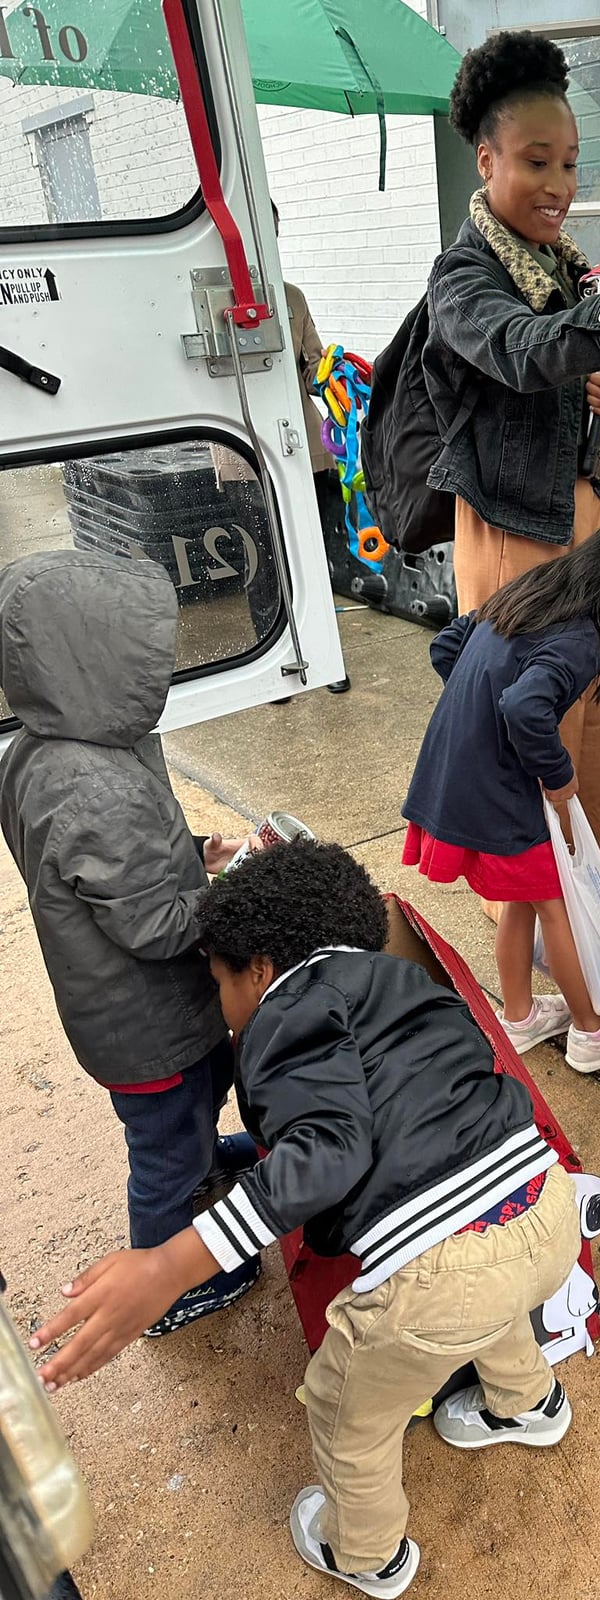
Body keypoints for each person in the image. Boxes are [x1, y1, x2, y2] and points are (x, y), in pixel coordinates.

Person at [29, 841, 582, 1600]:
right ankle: (531, 1404)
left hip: (440, 1278)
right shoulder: (396, 977)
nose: (221, 1009)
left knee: (343, 1406)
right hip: (545, 1212)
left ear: (259, 969)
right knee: (492, 1286)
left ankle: (366, 1554)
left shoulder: (287, 1011)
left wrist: (169, 1264)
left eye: (218, 983)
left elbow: (332, 1149)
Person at [424, 30, 600, 895]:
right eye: (538, 161)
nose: (561, 187)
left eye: (571, 164)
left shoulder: (562, 268)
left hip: (587, 522)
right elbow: (518, 348)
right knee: (535, 723)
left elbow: (584, 376)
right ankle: (543, 910)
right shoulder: (461, 277)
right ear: (487, 156)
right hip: (509, 536)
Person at [0, 551, 261, 1336]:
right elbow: (150, 923)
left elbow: (112, 866)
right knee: (162, 1152)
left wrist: (197, 848)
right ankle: (166, 1287)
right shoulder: (96, 786)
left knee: (196, 1104)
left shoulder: (45, 749)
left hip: (126, 1012)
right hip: (148, 1025)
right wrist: (237, 900)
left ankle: (206, 1163)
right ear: (92, 661)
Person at [402, 517, 600, 1074]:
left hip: (464, 781)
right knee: (553, 906)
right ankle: (591, 1030)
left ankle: (521, 1016)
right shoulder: (580, 638)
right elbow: (525, 708)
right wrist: (559, 778)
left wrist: (474, 716)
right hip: (503, 796)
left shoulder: (534, 593)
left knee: (522, 901)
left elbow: (448, 644)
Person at [215, 200, 350, 695]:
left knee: (314, 553)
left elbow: (312, 366)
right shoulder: (212, 301)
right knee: (264, 562)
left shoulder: (291, 297)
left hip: (304, 448)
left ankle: (324, 655)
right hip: (242, 454)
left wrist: (333, 371)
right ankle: (276, 665)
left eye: (269, 231)